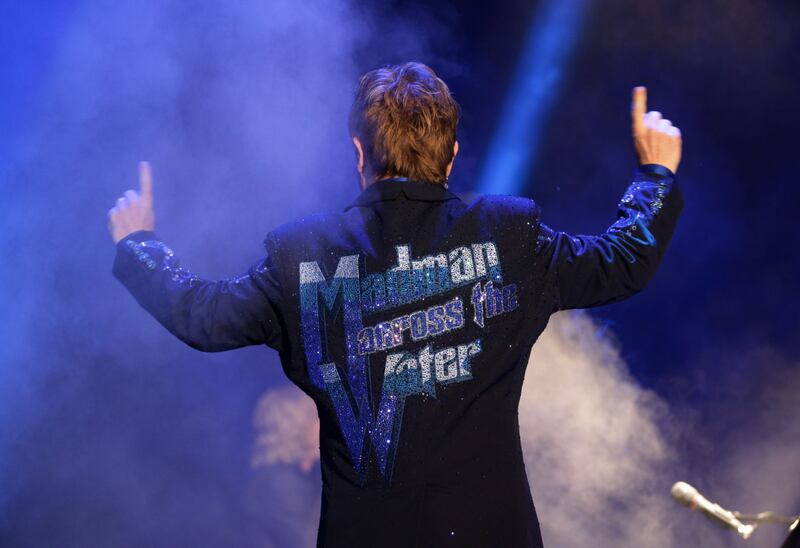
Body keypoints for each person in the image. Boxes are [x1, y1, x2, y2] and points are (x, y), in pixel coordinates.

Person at [107, 62, 682, 547]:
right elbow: (624, 258)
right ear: (451, 156)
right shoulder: (510, 234)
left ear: (358, 151)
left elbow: (202, 315)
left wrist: (139, 246)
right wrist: (655, 172)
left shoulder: (302, 255)